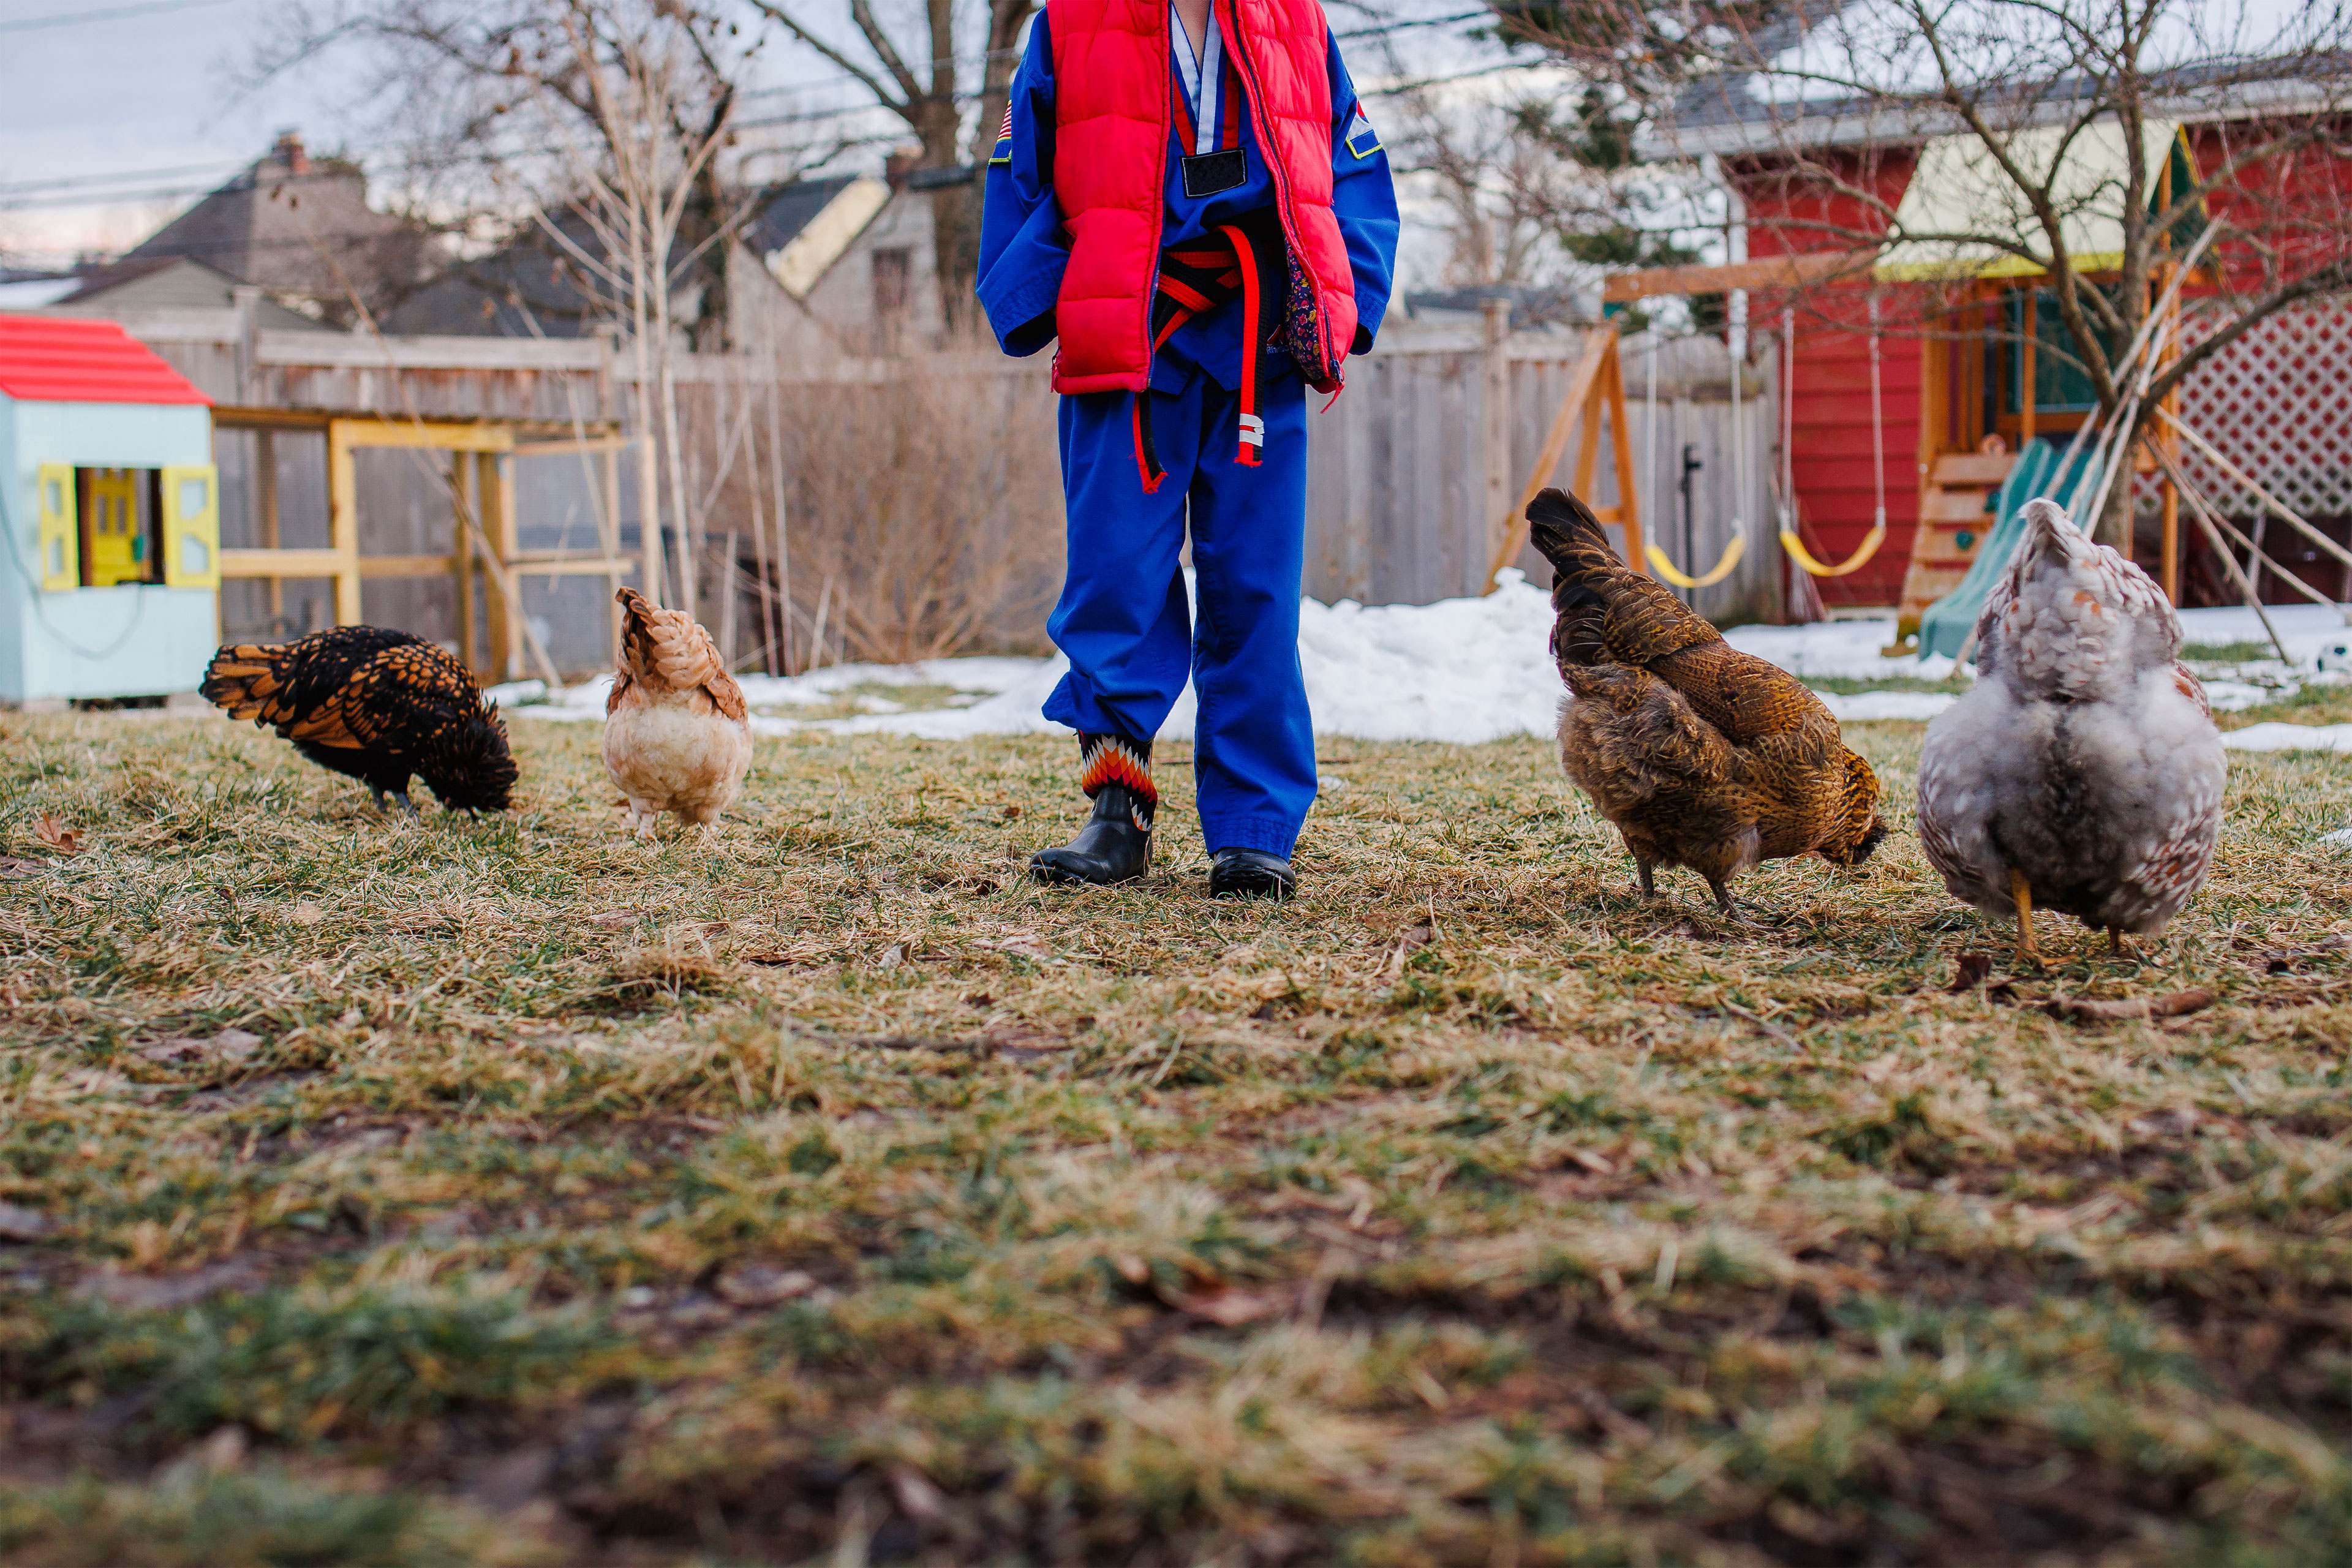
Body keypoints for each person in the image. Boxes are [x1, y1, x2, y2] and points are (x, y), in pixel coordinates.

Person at [977, 0, 1399, 899]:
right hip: (1129, 338)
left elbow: (1352, 162)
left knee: (1254, 588)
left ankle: (1252, 831)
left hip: (1261, 345)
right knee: (1113, 581)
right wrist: (1039, 295)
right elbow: (1019, 168)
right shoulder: (1068, 22)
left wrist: (1345, 296)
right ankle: (1115, 813)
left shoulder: (1298, 23)